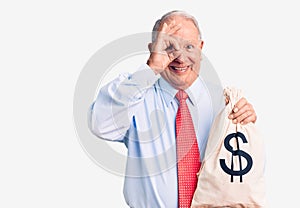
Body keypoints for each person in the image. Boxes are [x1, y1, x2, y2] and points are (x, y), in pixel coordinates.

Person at [88, 10, 257, 208]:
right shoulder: (135, 97)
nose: (180, 57)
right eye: (169, 47)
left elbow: (242, 173)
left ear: (201, 48)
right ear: (153, 49)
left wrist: (247, 125)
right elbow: (100, 125)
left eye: (189, 47)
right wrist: (152, 67)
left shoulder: (223, 102)